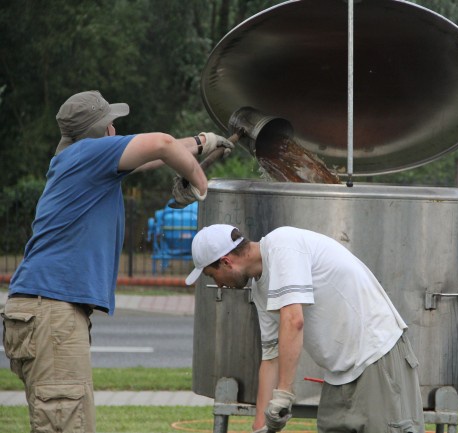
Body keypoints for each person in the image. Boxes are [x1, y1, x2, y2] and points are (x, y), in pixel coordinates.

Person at [1, 90, 233, 433]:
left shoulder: (79, 159)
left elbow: (154, 156)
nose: (115, 130)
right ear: (101, 132)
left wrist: (204, 141)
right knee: (68, 425)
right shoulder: (88, 154)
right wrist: (200, 184)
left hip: (41, 310)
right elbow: (160, 144)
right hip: (51, 313)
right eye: (111, 123)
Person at [185, 224, 425, 433]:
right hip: (338, 374)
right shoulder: (260, 288)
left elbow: (294, 320)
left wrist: (284, 394)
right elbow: (271, 357)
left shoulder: (283, 245)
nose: (218, 284)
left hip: (377, 358)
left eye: (211, 274)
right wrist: (260, 424)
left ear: (226, 262)